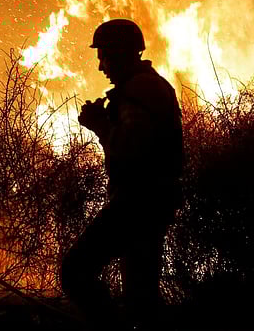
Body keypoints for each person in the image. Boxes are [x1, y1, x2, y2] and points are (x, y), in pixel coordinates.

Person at [61, 19, 184, 329]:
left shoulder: (138, 91)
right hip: (151, 201)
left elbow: (132, 152)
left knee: (76, 270)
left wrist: (99, 124)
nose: (101, 65)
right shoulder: (148, 87)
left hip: (138, 203)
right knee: (141, 297)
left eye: (104, 56)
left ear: (120, 54)